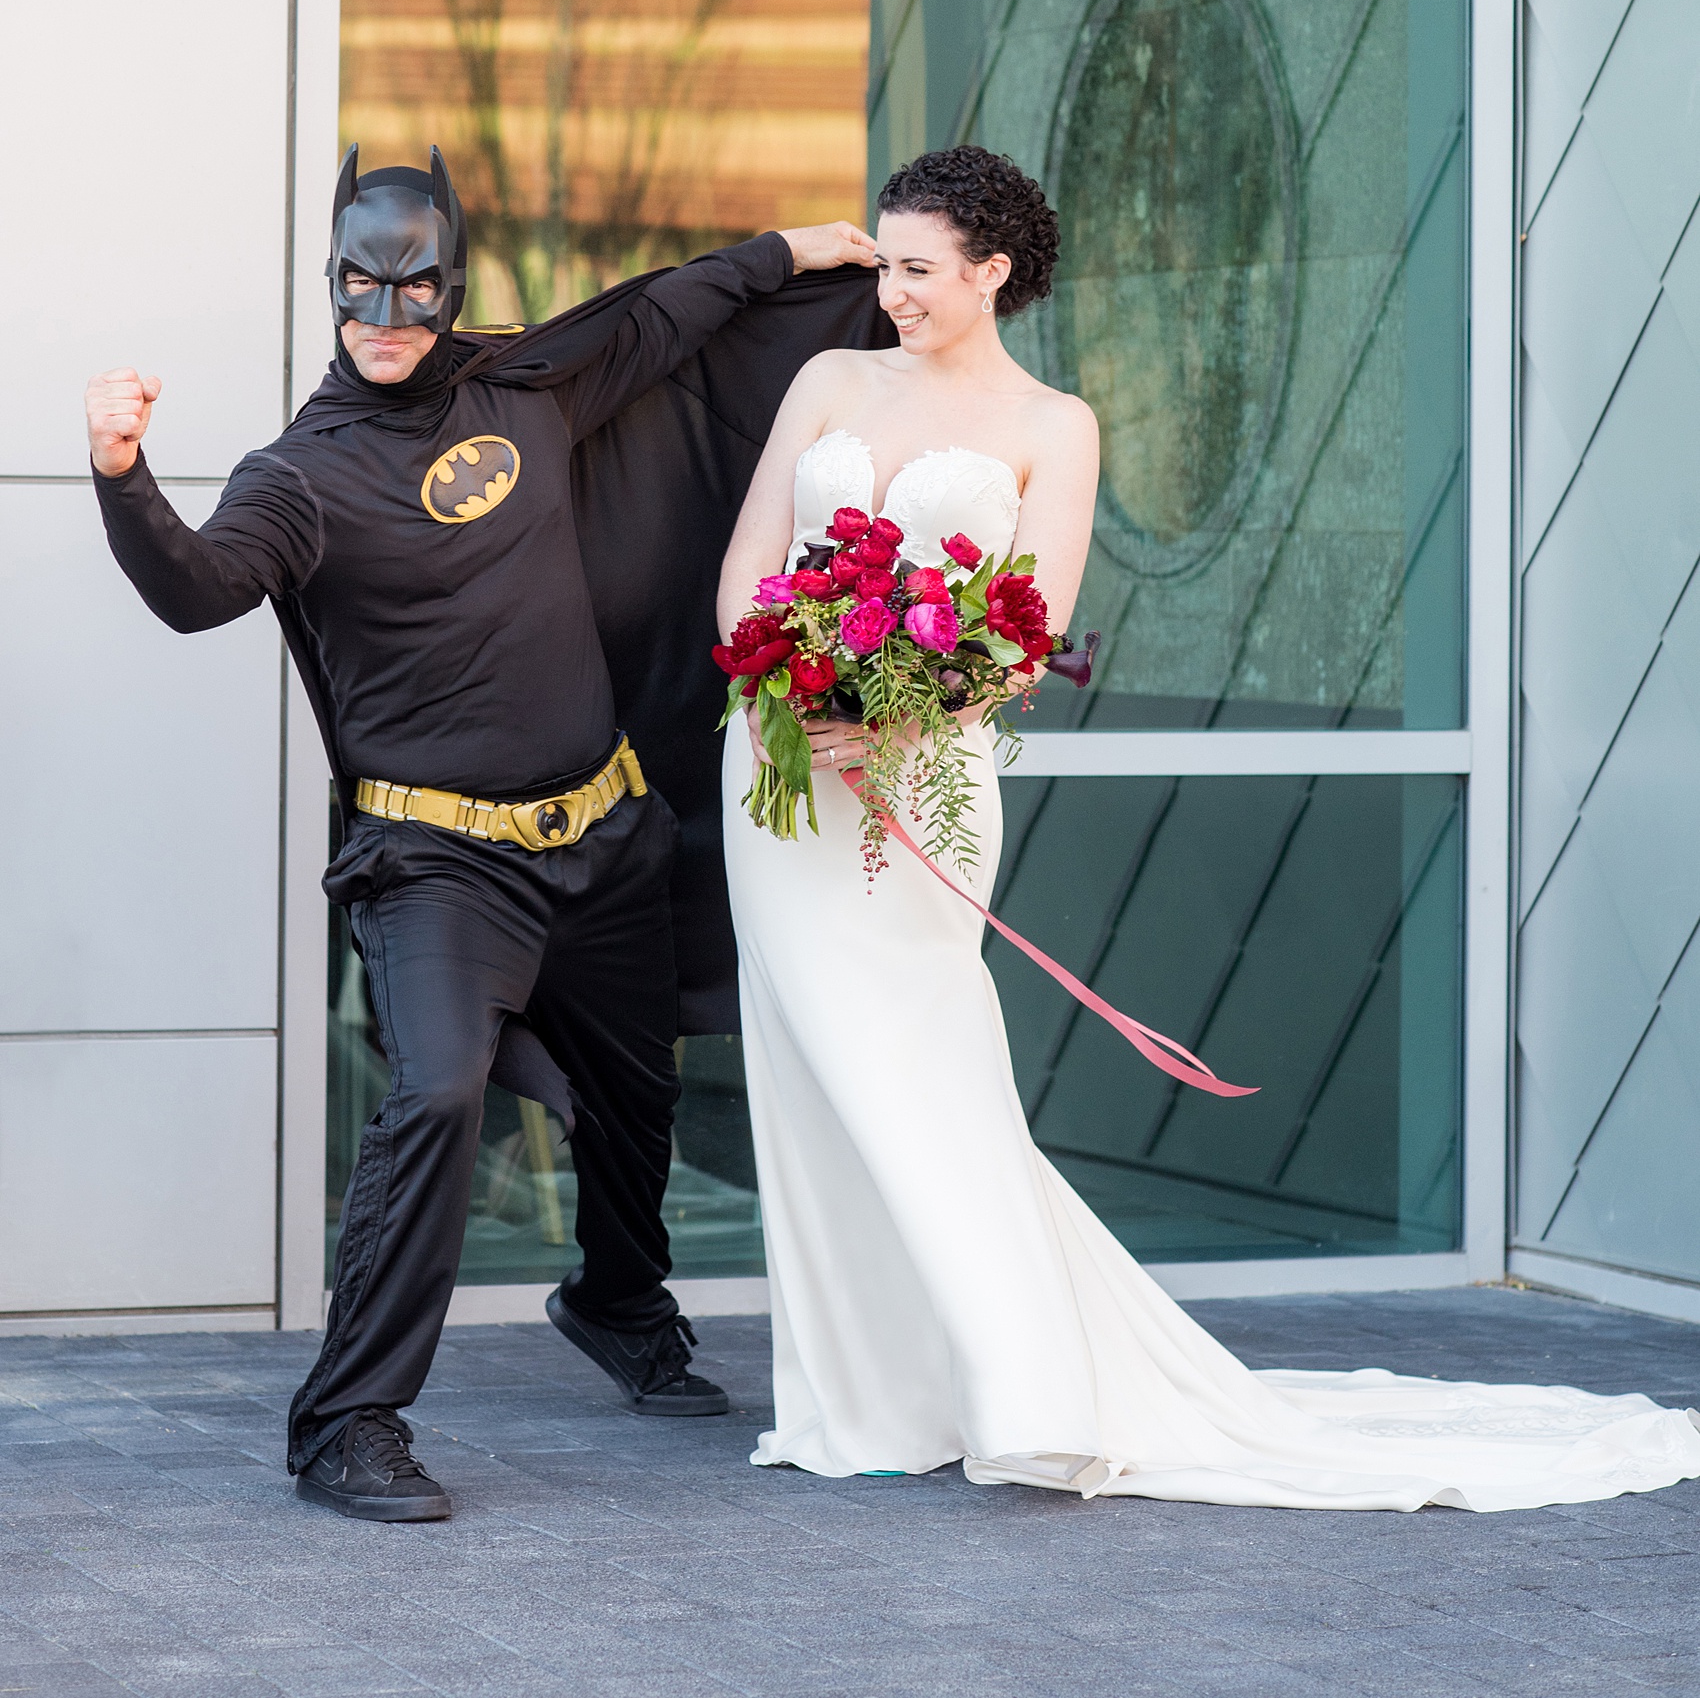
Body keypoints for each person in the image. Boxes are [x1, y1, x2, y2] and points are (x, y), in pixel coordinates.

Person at [716, 142, 1700, 1512]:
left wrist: (886, 716)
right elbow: (746, 569)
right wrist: (788, 679)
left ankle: (1031, 1386)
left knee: (918, 1070)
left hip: (921, 775)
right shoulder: (828, 381)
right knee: (818, 1077)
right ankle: (873, 1394)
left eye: (921, 268)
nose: (893, 290)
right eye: (886, 262)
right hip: (778, 780)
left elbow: (1028, 631)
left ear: (994, 272)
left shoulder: (1055, 424)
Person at [87, 143, 880, 1524]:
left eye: (412, 291)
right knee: (440, 1089)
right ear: (331, 282)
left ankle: (618, 1299)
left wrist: (795, 252)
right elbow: (198, 586)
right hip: (439, 866)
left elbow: (665, 310)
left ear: (450, 287)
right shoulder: (300, 476)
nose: (384, 320)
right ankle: (347, 1424)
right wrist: (121, 473)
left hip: (605, 831)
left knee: (642, 1089)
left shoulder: (527, 381)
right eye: (360, 289)